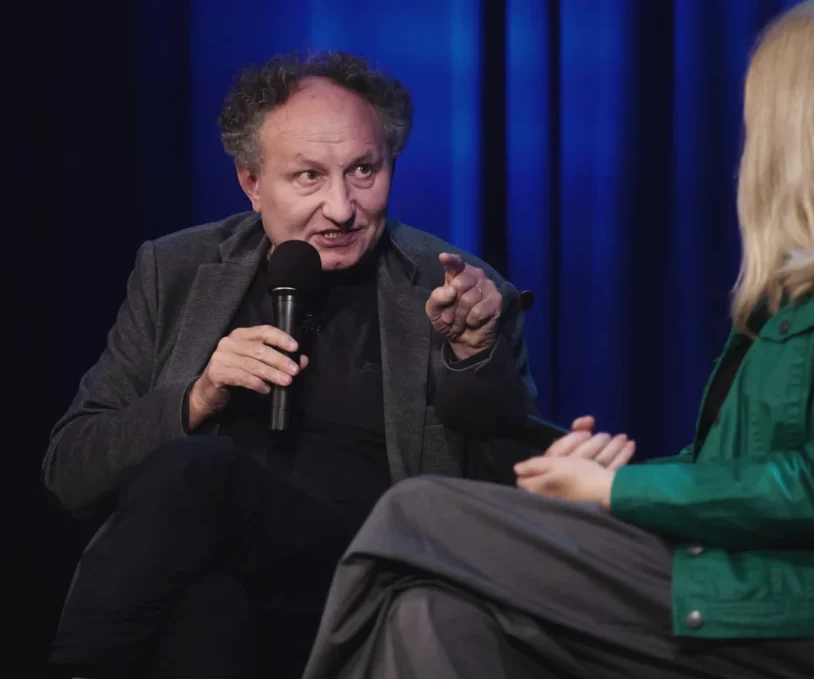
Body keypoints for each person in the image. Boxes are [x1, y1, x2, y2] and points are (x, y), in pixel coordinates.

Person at [302, 0, 814, 678]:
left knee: (419, 510)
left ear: (813, 111)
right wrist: (614, 479)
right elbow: (736, 471)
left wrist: (616, 494)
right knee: (433, 609)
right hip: (753, 577)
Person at [42, 51, 568, 679]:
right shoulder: (175, 272)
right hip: (215, 587)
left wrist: (471, 352)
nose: (342, 208)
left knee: (202, 473)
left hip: (366, 584)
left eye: (364, 170)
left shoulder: (457, 288)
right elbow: (71, 471)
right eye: (308, 177)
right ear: (251, 183)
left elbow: (506, 479)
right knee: (207, 607)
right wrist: (197, 398)